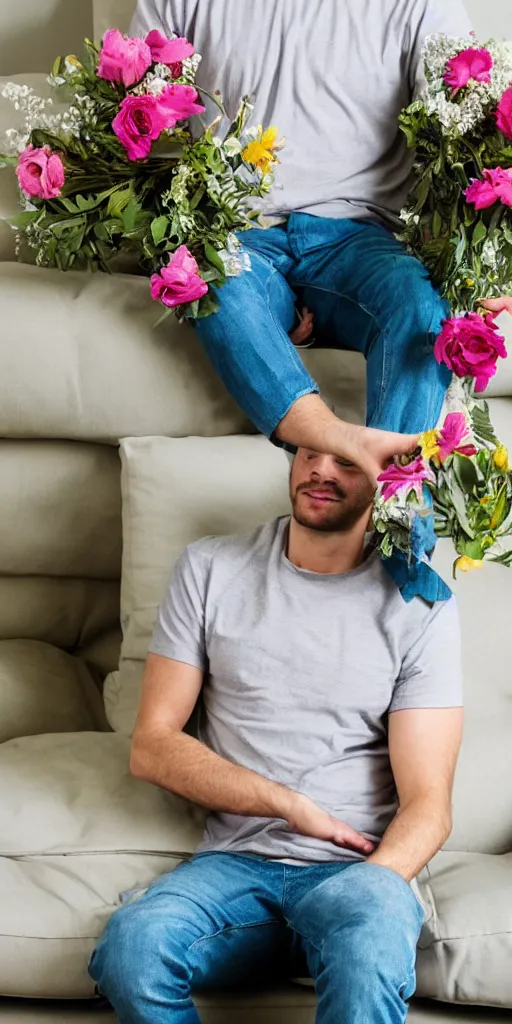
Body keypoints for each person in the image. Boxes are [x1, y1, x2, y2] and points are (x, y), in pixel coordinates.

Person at [89, 447, 464, 1023]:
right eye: (309, 452)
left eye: (347, 461)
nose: (321, 471)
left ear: (386, 479)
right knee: (133, 949)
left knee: (367, 949)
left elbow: (429, 803)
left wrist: (375, 884)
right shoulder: (211, 567)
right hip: (234, 864)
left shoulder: (420, 604)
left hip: (358, 869)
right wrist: (287, 805)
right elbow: (152, 745)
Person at [129, 0, 474, 482]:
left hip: (364, 239)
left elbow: (465, 118)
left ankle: (396, 517)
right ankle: (336, 444)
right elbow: (130, 116)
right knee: (208, 277)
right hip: (241, 233)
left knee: (419, 309)